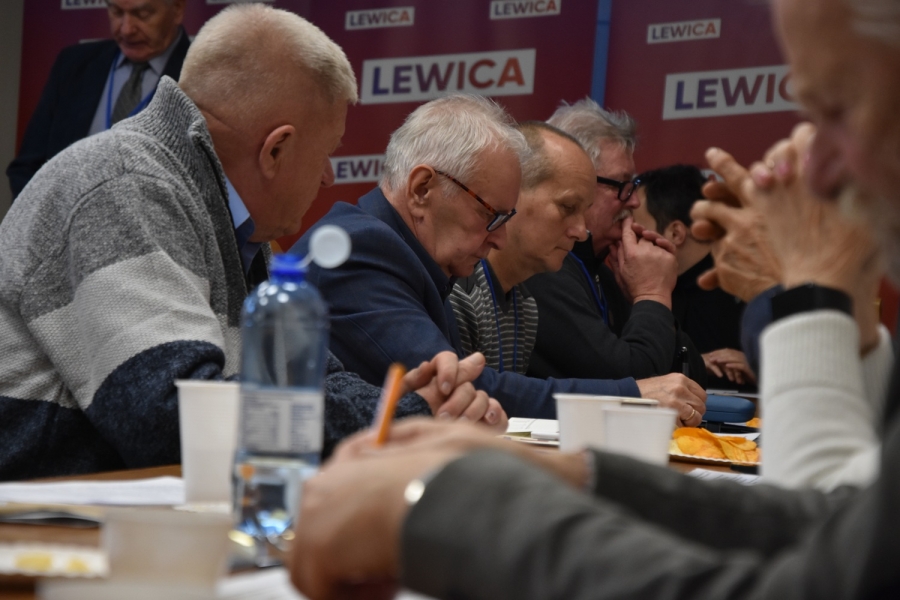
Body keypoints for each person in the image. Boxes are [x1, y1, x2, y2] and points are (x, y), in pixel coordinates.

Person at [288, 0, 900, 596]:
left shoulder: (514, 285)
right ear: (424, 189)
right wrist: (814, 298)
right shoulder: (372, 250)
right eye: (495, 213)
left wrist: (456, 498)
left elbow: (829, 546)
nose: (818, 170)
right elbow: (839, 529)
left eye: (838, 109)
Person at [0, 4, 502, 482]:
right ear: (275, 150)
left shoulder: (229, 219)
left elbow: (312, 381)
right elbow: (176, 418)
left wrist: (402, 405)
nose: (328, 176)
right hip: (34, 526)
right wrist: (398, 415)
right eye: (326, 152)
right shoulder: (123, 186)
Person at [294, 96, 706, 420]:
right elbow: (456, 391)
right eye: (490, 215)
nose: (500, 238)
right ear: (422, 189)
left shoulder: (419, 261)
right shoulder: (362, 250)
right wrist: (629, 395)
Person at [526, 100, 707, 388]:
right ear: (576, 182)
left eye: (633, 186)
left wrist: (646, 300)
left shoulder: (607, 272)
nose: (634, 202)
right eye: (621, 185)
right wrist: (652, 295)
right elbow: (630, 385)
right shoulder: (544, 268)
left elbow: (692, 374)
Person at [448, 121, 594, 376]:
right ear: (512, 193)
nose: (581, 232)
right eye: (568, 207)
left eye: (585, 212)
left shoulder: (525, 307)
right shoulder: (459, 294)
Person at [6, 0, 191, 199]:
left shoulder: (201, 79)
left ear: (177, 9)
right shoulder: (73, 64)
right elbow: (26, 168)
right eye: (116, 12)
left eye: (142, 14)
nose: (126, 30)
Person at [632, 164, 753, 389]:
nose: (626, 240)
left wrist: (761, 367)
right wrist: (693, 363)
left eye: (636, 230)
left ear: (675, 233)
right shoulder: (636, 289)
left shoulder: (753, 288)